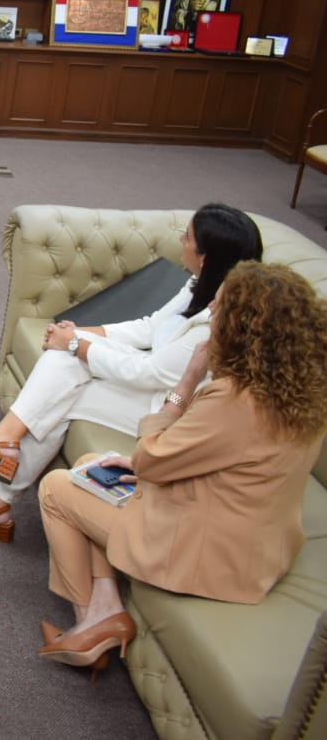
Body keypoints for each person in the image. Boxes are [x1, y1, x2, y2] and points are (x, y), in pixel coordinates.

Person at [35, 262, 327, 678]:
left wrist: (187, 382)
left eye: (219, 308)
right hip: (255, 545)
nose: (211, 313)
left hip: (204, 555)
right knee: (91, 468)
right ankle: (105, 609)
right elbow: (231, 463)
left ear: (244, 327)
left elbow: (151, 455)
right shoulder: (304, 396)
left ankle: (90, 626)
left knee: (56, 488)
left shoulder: (233, 400)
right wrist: (145, 466)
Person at [0, 204, 263, 543]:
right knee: (62, 364)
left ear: (206, 257)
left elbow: (150, 373)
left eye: (187, 237)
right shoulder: (200, 284)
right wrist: (78, 333)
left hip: (167, 406)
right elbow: (148, 328)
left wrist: (75, 344)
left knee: (57, 394)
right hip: (153, 376)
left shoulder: (215, 324)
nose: (180, 240)